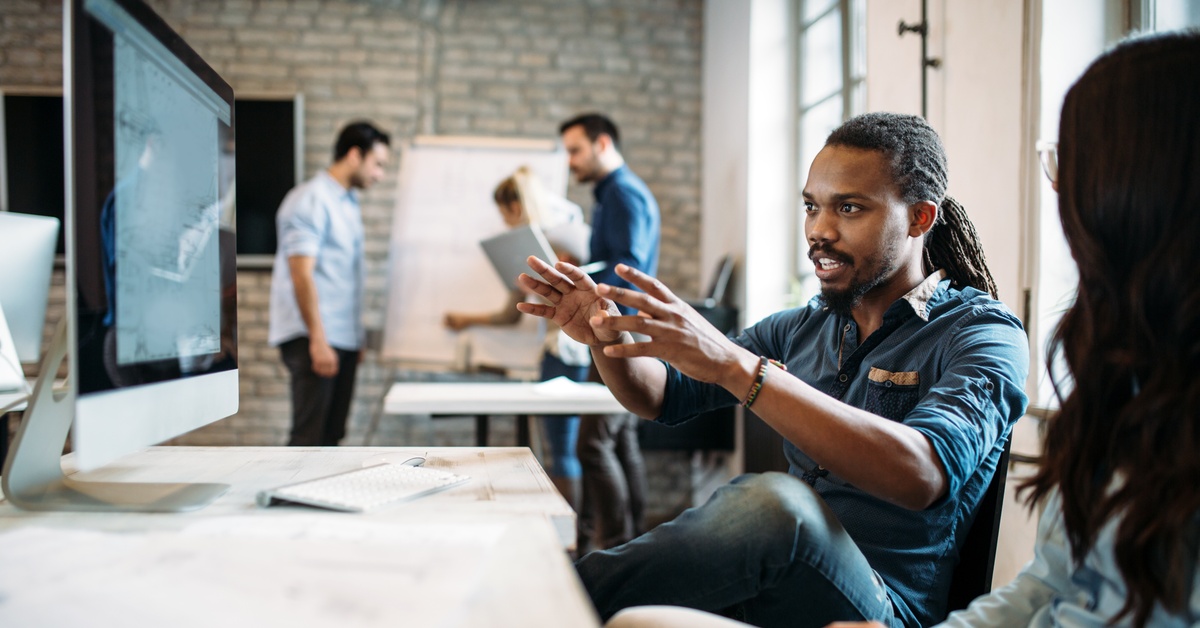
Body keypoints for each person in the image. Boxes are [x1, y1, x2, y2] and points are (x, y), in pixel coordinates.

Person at [519, 112, 1029, 627]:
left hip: (880, 613)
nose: (819, 231)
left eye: (849, 208)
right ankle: (543, 604)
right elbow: (664, 397)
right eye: (812, 207)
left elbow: (921, 474)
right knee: (641, 619)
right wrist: (608, 337)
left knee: (777, 507)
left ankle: (530, 605)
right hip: (774, 596)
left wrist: (742, 369)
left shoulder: (982, 334)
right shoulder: (803, 325)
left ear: (919, 218)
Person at [443, 166, 592, 508]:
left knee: (561, 448)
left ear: (515, 206)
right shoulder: (531, 248)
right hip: (557, 352)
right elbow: (511, 314)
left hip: (566, 352)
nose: (503, 219)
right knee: (558, 449)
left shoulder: (565, 239)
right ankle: (570, 532)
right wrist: (466, 319)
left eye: (504, 211)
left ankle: (569, 538)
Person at [559, 112, 661, 553]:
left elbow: (627, 267)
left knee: (593, 445)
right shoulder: (613, 194)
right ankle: (631, 544)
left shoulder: (621, 193)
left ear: (603, 145)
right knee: (619, 442)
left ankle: (615, 549)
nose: (570, 161)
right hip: (621, 328)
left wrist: (572, 272)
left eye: (575, 150)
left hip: (618, 330)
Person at [268, 121, 391, 447]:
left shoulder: (347, 204)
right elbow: (301, 273)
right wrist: (318, 340)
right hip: (314, 335)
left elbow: (342, 277)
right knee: (309, 437)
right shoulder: (310, 199)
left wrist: (356, 336)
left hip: (342, 336)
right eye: (377, 164)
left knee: (331, 437)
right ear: (354, 155)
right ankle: (290, 499)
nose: (380, 174)